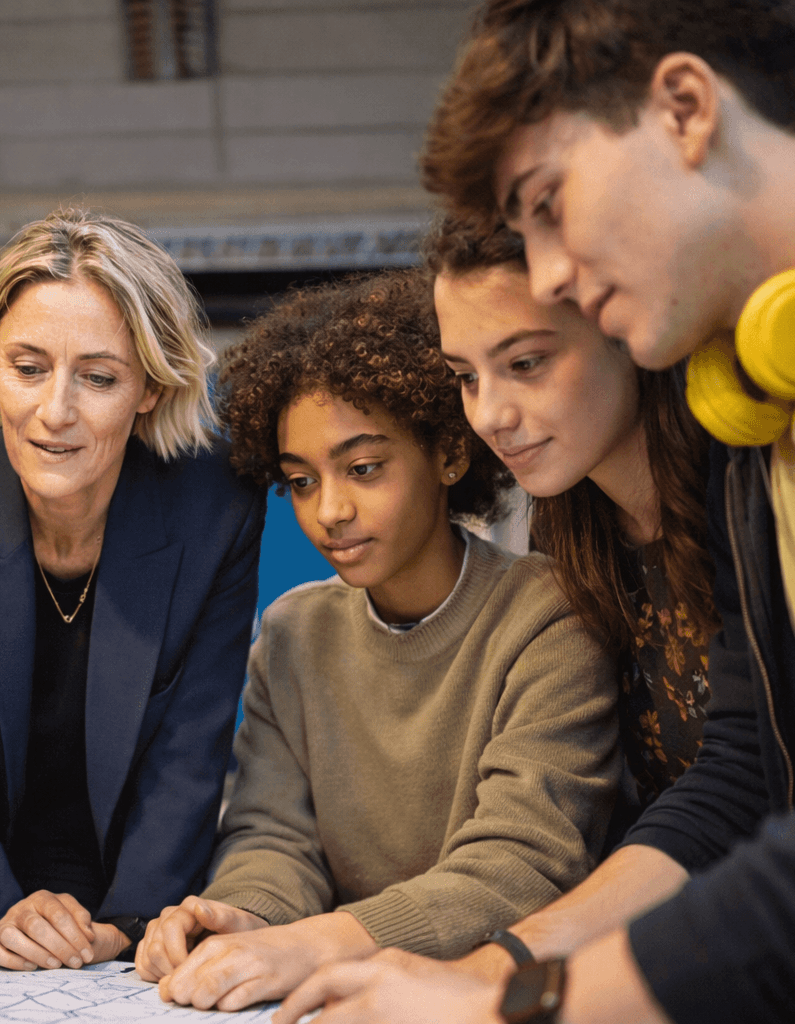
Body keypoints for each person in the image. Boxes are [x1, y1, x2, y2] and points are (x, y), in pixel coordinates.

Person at [277, 2, 795, 1023]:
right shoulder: (762, 405)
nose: (555, 272)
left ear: (687, 108)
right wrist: (500, 969)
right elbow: (743, 773)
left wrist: (517, 1003)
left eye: (549, 203)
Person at [133, 271, 621, 1011]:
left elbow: (520, 864)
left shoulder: (548, 616)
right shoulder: (295, 633)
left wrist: (320, 940)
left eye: (364, 469)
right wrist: (244, 917)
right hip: (352, 993)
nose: (329, 511)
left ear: (449, 455)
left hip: (504, 999)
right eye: (300, 481)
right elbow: (272, 834)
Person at [0, 208, 267, 970]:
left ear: (147, 385)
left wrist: (129, 922)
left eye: (98, 377)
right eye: (28, 368)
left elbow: (190, 753)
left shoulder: (216, 503)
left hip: (116, 922)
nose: (55, 412)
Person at [429, 214, 718, 824]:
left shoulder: (750, 503)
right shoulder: (571, 542)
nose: (488, 415)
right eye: (466, 378)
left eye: (526, 364)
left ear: (626, 326)